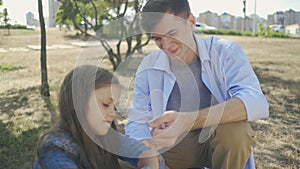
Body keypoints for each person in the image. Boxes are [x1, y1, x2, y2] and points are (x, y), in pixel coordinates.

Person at [125, 0, 269, 169]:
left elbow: (255, 102)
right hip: (174, 145)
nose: (166, 46)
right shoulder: (148, 66)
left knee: (235, 133)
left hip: (219, 143)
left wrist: (188, 121)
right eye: (158, 39)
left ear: (191, 22)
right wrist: (146, 150)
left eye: (172, 33)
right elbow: (137, 120)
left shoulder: (225, 52)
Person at [32, 65, 164, 169]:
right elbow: (152, 162)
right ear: (78, 103)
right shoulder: (54, 148)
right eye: (106, 104)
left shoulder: (105, 136)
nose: (113, 113)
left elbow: (153, 156)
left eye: (115, 107)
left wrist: (151, 160)